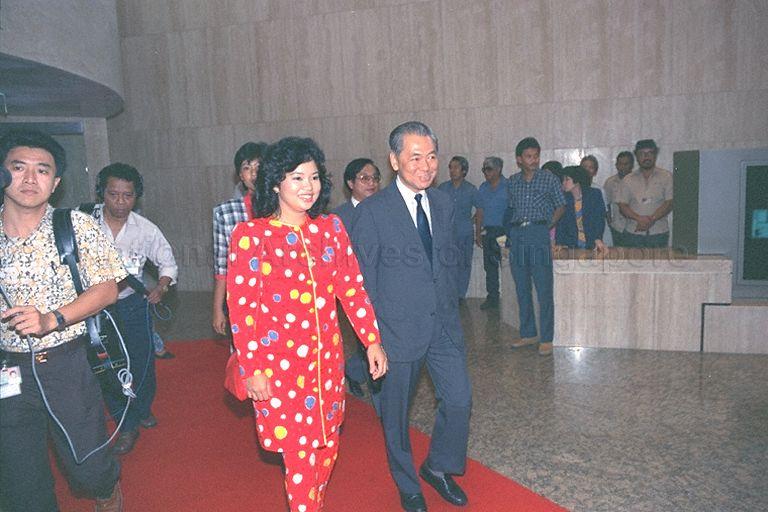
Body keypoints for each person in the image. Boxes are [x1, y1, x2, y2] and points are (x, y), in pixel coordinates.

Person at [226, 137, 387, 512]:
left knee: (327, 446)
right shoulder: (252, 237)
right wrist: (252, 369)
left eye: (314, 178)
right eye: (297, 178)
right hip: (278, 370)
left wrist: (372, 341)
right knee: (299, 456)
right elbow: (243, 309)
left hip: (326, 367)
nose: (308, 187)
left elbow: (352, 288)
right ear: (275, 183)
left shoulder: (330, 230)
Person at [0, 130, 127, 512]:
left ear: (55, 184)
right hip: (8, 370)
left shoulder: (75, 226)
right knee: (20, 477)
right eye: (18, 168)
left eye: (42, 171)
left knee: (86, 465)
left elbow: (107, 290)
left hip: (66, 363)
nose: (28, 179)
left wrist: (51, 319)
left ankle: (106, 491)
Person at [352, 121, 473, 512]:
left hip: (443, 326)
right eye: (415, 156)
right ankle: (408, 484)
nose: (426, 166)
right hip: (396, 331)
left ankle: (438, 466)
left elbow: (447, 261)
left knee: (459, 399)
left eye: (432, 156)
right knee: (395, 417)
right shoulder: (372, 212)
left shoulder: (444, 202)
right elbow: (363, 283)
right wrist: (372, 339)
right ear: (394, 160)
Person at [91, 163, 178, 455]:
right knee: (110, 366)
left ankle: (142, 408)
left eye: (127, 195)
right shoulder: (86, 224)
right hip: (97, 310)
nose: (119, 202)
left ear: (136, 197)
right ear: (101, 193)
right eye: (113, 194)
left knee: (141, 362)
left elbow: (167, 262)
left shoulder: (145, 229)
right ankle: (125, 425)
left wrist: (161, 287)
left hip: (132, 304)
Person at [507, 137, 566, 356]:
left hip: (539, 232)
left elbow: (561, 205)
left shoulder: (548, 179)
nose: (533, 160)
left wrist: (547, 224)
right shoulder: (512, 181)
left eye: (536, 156)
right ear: (519, 159)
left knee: (543, 288)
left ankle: (547, 338)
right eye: (529, 157)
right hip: (517, 234)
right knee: (522, 287)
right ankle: (528, 333)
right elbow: (511, 207)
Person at [333, 158, 382, 406]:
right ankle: (379, 399)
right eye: (364, 178)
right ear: (350, 183)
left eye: (375, 178)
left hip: (384, 291)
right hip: (354, 294)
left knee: (377, 343)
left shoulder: (387, 211)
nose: (371, 183)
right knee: (367, 342)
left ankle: (355, 373)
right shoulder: (337, 218)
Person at [212, 141, 268, 336]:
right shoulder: (225, 213)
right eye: (247, 168)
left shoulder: (286, 207)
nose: (254, 174)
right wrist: (218, 309)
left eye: (259, 167)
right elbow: (222, 266)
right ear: (240, 176)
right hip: (243, 298)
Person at [618, 139, 673, 248]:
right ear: (636, 156)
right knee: (632, 265)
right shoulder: (627, 180)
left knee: (659, 265)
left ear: (655, 154)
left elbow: (669, 203)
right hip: (633, 233)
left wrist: (651, 219)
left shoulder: (666, 177)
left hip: (658, 233)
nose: (646, 157)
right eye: (642, 154)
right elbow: (622, 206)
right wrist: (639, 218)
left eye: (650, 153)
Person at [437, 156, 477, 302]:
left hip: (465, 233)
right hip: (447, 234)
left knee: (464, 264)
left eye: (456, 167)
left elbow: (480, 210)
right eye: (450, 167)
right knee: (447, 264)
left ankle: (460, 295)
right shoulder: (442, 188)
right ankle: (449, 293)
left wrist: (472, 224)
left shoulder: (471, 189)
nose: (452, 170)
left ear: (464, 170)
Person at [474, 156, 508, 310]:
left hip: (504, 232)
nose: (485, 172)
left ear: (498, 169)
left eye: (488, 169)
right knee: (490, 268)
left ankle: (510, 299)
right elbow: (479, 211)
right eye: (484, 169)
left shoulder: (508, 186)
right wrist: (478, 233)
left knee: (508, 267)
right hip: (488, 232)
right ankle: (492, 298)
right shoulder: (483, 188)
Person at [555, 165, 607, 252]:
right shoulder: (564, 198)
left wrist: (598, 238)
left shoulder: (594, 194)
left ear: (577, 181)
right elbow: (561, 223)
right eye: (563, 180)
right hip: (570, 244)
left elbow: (599, 219)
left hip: (592, 243)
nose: (563, 183)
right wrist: (559, 243)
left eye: (567, 179)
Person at [603, 151, 634, 246]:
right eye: (620, 164)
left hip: (636, 228)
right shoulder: (610, 182)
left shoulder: (638, 181)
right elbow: (606, 204)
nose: (623, 167)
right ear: (616, 165)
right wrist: (610, 222)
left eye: (626, 164)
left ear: (632, 165)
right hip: (617, 228)